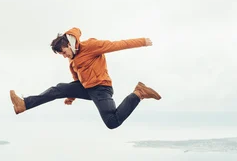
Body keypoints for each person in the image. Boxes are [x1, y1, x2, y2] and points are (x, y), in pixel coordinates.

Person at [9, 27, 161, 129]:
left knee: (112, 122)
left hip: (102, 88)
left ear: (69, 44)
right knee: (60, 88)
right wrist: (71, 97)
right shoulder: (72, 58)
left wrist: (143, 42)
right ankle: (23, 104)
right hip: (87, 88)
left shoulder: (91, 46)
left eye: (63, 52)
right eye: (61, 54)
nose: (64, 56)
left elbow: (117, 45)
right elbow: (77, 81)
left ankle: (139, 93)